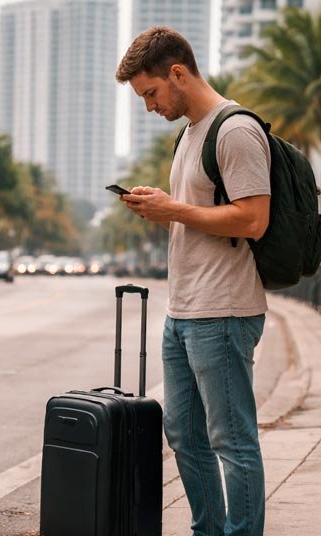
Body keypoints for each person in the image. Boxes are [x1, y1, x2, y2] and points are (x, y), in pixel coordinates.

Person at [115, 26, 271, 536]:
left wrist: (175, 209)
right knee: (183, 434)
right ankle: (208, 530)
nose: (149, 106)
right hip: (182, 311)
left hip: (223, 311)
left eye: (151, 93)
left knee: (232, 440)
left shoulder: (235, 130)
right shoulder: (188, 135)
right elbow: (199, 218)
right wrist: (160, 208)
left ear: (178, 74)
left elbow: (253, 219)